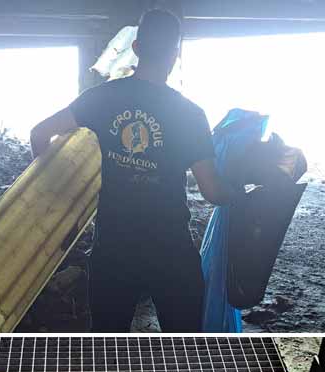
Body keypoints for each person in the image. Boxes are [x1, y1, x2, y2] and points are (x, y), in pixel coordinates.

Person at [30, 9, 234, 333]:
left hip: (113, 246)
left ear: (136, 48)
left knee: (109, 348)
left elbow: (39, 133)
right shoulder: (191, 114)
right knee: (182, 345)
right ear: (175, 54)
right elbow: (212, 191)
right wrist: (245, 192)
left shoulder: (100, 98)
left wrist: (63, 199)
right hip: (170, 248)